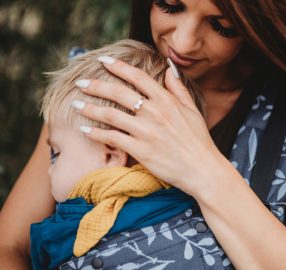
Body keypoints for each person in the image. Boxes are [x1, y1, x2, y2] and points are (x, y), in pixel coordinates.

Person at [0, 0, 286, 269]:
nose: (184, 42)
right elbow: (10, 246)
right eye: (170, 5)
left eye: (223, 26)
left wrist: (201, 167)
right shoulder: (99, 88)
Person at [29, 39, 205, 269]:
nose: (50, 169)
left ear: (110, 156)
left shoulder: (68, 230)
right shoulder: (195, 207)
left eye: (56, 154)